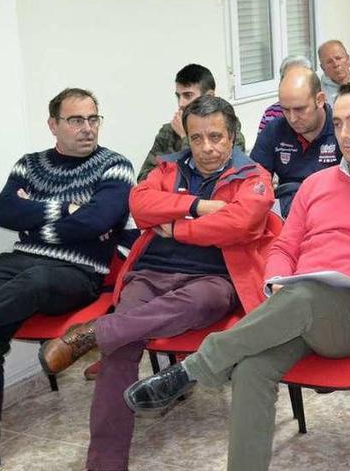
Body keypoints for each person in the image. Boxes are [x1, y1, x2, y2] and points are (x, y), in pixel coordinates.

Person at [123, 80, 350, 471]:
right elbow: (284, 248)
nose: (345, 134)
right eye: (338, 124)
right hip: (303, 307)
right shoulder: (315, 186)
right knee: (252, 368)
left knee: (304, 299)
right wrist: (277, 279)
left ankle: (194, 369)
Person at [38, 95, 279, 471]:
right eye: (197, 138)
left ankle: (94, 332)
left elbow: (241, 223)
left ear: (232, 137)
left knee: (195, 304)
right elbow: (141, 204)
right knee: (121, 347)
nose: (207, 147)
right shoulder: (168, 168)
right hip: (151, 273)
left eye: (216, 137)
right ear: (187, 137)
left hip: (213, 279)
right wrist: (197, 207)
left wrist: (177, 228)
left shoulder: (253, 176)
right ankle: (104, 464)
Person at [0, 88, 135, 471]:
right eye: (76, 120)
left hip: (76, 274)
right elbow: (5, 212)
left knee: (34, 283)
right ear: (53, 125)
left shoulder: (115, 166)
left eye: (93, 119)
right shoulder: (29, 164)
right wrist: (64, 209)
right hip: (17, 263)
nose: (87, 129)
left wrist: (38, 222)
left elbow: (98, 220)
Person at [249, 67, 340, 217]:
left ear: (320, 100)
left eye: (300, 109)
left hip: (331, 211)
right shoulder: (274, 129)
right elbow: (254, 180)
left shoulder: (342, 130)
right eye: (285, 109)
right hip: (286, 209)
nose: (292, 118)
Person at [138, 64, 245, 181]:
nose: (181, 103)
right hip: (171, 199)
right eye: (178, 96)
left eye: (188, 95)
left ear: (209, 96)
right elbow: (144, 179)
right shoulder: (168, 131)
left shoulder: (229, 131)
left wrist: (185, 137)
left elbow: (213, 181)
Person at [256, 55, 313, 133]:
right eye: (288, 78)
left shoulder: (324, 111)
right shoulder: (271, 113)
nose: (293, 118)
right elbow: (261, 143)